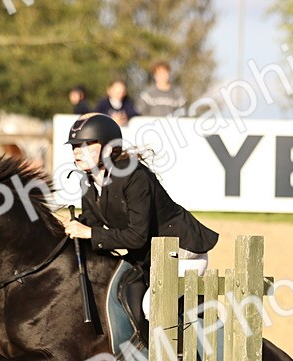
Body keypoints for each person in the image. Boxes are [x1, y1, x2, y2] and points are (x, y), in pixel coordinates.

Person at [63, 113, 217, 292]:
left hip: (182, 253)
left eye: (87, 144)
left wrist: (88, 232)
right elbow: (91, 224)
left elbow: (136, 236)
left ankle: (196, 319)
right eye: (74, 145)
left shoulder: (134, 176)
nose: (77, 151)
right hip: (147, 257)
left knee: (151, 307)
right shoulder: (89, 181)